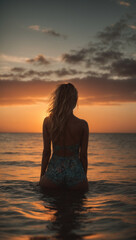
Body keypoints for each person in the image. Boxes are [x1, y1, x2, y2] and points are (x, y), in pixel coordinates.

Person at [40, 83, 89, 191]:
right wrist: (83, 177)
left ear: (57, 99)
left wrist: (42, 177)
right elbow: (83, 156)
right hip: (76, 174)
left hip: (54, 174)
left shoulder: (48, 122)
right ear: (74, 101)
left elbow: (46, 152)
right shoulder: (82, 125)